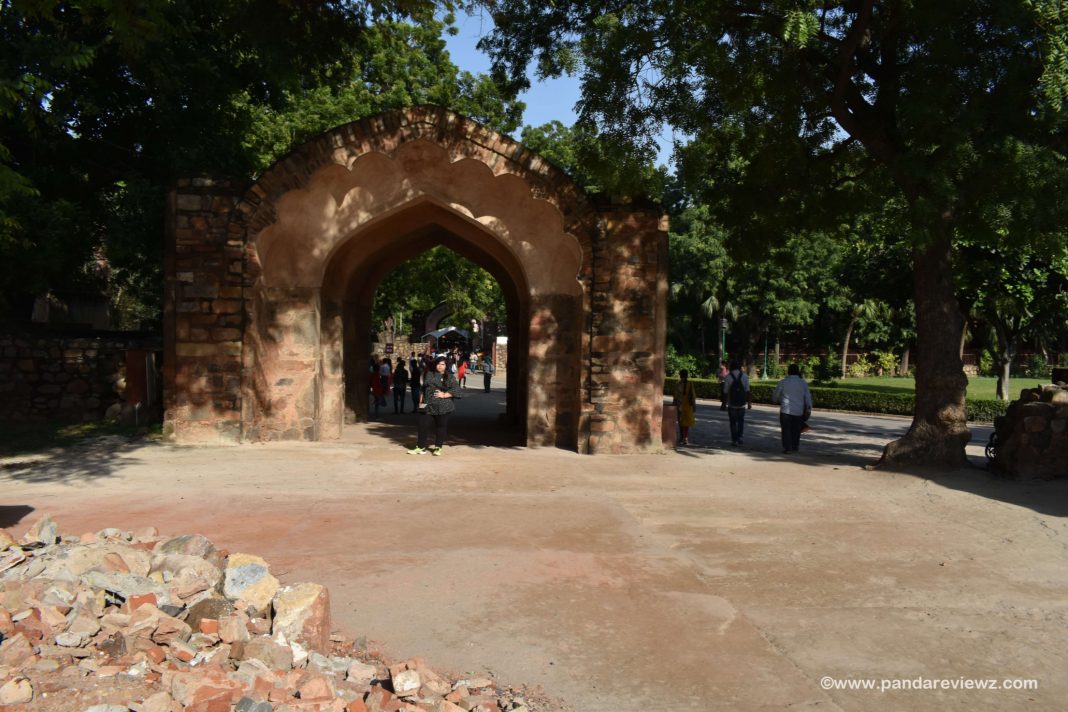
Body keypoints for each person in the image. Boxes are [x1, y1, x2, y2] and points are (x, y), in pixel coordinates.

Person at [408, 356, 461, 456]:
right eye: (438, 364)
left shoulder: (449, 377)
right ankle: (420, 447)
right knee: (422, 425)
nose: (440, 366)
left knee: (440, 427)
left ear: (446, 366)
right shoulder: (428, 374)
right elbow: (423, 389)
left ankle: (438, 447)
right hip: (427, 405)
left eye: (443, 364)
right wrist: (420, 401)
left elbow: (457, 391)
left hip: (443, 406)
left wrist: (444, 394)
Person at [772, 363, 813, 454]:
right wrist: (809, 409)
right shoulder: (803, 383)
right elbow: (808, 397)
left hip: (785, 410)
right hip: (798, 411)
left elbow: (775, 395)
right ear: (798, 372)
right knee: (796, 430)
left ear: (788, 372)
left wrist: (775, 400)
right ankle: (795, 446)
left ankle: (787, 447)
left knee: (786, 430)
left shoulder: (783, 382)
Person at [721, 361, 751, 446]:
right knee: (741, 421)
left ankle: (734, 440)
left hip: (732, 403)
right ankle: (740, 437)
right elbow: (748, 391)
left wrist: (724, 404)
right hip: (742, 403)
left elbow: (725, 392)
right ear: (738, 367)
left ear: (731, 368)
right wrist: (749, 403)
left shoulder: (728, 377)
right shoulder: (745, 376)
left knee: (733, 422)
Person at [672, 369, 697, 445]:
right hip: (688, 406)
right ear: (687, 375)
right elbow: (693, 396)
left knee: (680, 422)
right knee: (686, 422)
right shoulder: (690, 383)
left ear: (680, 375)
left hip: (680, 405)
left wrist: (674, 404)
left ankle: (682, 437)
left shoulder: (678, 384)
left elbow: (675, 396)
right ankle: (685, 438)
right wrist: (694, 405)